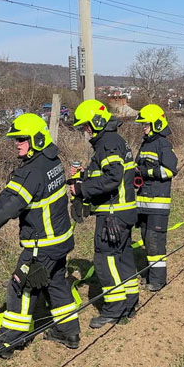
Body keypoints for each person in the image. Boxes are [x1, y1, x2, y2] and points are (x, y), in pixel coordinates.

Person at [0, 113, 79, 358]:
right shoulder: (52, 161)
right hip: (61, 240)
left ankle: (7, 342)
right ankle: (69, 331)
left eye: (21, 139)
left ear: (37, 140)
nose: (16, 144)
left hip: (42, 246)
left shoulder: (31, 172)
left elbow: (8, 206)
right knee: (56, 284)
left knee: (20, 288)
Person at [69, 99, 139, 328]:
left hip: (113, 215)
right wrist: (85, 174)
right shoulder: (115, 140)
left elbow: (112, 177)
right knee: (123, 258)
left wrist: (82, 189)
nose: (86, 131)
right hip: (124, 212)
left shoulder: (107, 143)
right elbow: (105, 172)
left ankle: (114, 309)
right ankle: (129, 304)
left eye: (86, 126)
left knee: (105, 260)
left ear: (97, 122)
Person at [134, 104, 178, 292]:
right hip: (144, 203)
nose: (143, 127)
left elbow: (169, 170)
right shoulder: (146, 143)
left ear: (156, 124)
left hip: (158, 204)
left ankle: (158, 281)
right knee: (146, 240)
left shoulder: (163, 144)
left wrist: (146, 172)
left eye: (146, 124)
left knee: (155, 242)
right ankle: (150, 275)